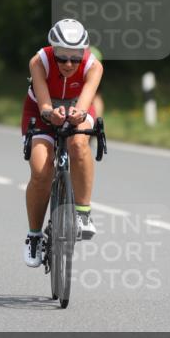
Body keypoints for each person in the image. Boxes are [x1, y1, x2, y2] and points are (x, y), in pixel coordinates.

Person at [21, 18, 103, 267]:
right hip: (41, 112)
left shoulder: (93, 66)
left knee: (78, 145)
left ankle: (83, 214)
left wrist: (77, 114)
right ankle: (34, 236)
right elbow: (45, 103)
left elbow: (85, 101)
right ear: (53, 51)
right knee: (40, 171)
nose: (69, 64)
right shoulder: (39, 61)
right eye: (62, 57)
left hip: (76, 108)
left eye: (75, 58)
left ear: (83, 53)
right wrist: (50, 113)